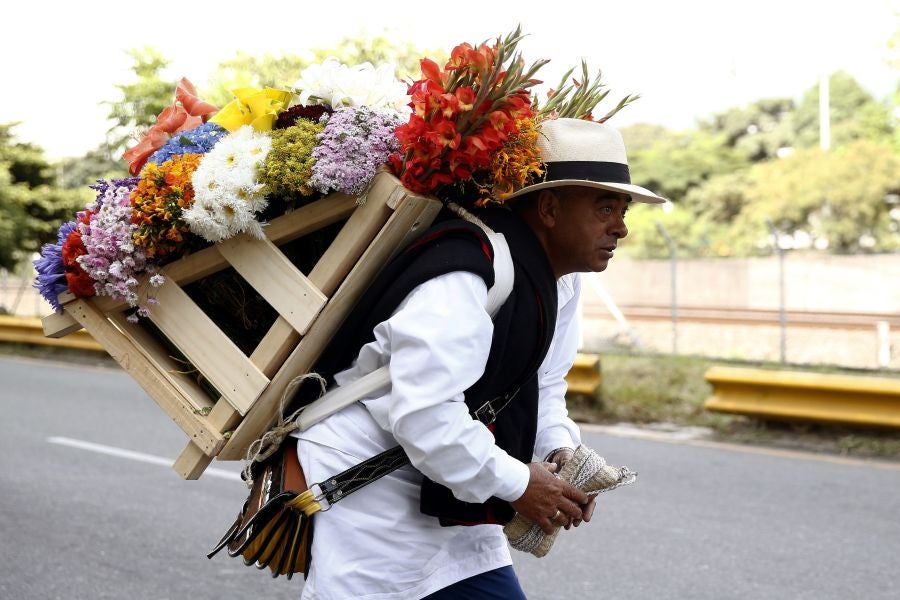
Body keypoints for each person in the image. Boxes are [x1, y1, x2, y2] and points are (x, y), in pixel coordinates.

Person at [291, 117, 666, 599]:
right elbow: (425, 417)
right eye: (605, 207)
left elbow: (542, 383)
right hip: (374, 481)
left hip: (452, 472)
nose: (621, 228)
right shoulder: (467, 275)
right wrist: (519, 482)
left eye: (623, 209)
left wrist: (556, 452)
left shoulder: (561, 282)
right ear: (549, 207)